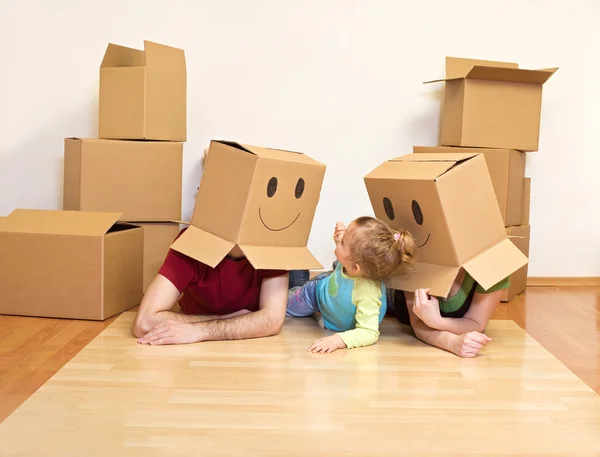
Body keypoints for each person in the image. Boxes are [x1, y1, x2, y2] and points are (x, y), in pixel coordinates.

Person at [133, 227, 291, 345]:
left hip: (250, 344)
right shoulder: (191, 241)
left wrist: (200, 330)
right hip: (211, 342)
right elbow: (144, 323)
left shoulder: (273, 245)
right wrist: (226, 319)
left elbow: (272, 320)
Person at [286, 216, 416, 354]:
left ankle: (297, 278)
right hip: (316, 294)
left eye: (343, 242)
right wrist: (341, 240)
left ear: (355, 268)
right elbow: (347, 254)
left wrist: (339, 340)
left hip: (333, 295)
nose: (339, 241)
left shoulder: (368, 294)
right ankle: (298, 279)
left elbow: (369, 332)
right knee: (282, 306)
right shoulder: (359, 264)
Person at [389, 271, 509, 358]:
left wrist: (436, 321)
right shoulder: (419, 253)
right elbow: (417, 323)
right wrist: (452, 342)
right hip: (396, 304)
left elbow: (477, 323)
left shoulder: (495, 264)